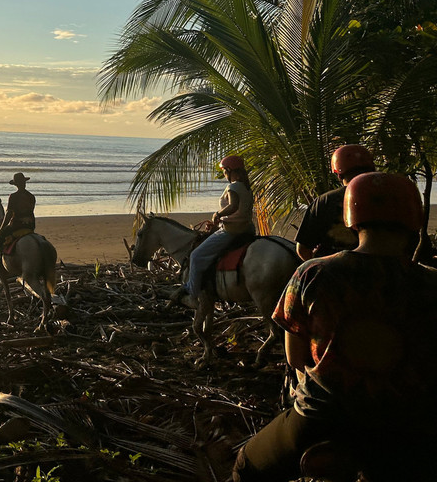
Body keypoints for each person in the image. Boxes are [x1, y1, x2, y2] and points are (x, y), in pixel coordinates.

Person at [232, 171, 437, 482]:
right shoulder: (431, 282)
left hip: (322, 417)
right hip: (409, 422)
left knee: (247, 467)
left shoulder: (312, 274)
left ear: (351, 218)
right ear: (414, 219)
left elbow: (296, 358)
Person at [174, 155, 255, 306]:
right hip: (247, 229)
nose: (224, 174)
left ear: (230, 171)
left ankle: (192, 294)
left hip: (232, 231)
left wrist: (218, 214)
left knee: (197, 255)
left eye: (224, 171)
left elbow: (234, 206)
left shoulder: (234, 187)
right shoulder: (247, 187)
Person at [294, 144, 374, 260]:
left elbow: (302, 249)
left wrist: (321, 268)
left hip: (336, 274)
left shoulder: (324, 201)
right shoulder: (391, 195)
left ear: (339, 174)